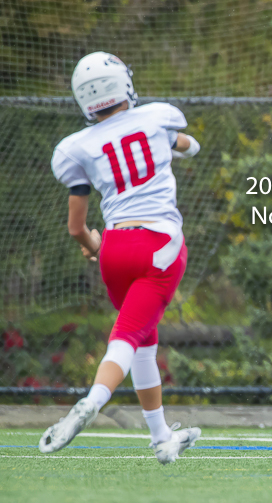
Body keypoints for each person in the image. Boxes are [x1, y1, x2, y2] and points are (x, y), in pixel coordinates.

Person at [39, 52, 202, 464]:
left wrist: (95, 248)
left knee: (144, 341)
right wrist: (172, 144)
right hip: (159, 244)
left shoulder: (78, 146)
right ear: (123, 84)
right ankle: (93, 401)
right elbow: (191, 145)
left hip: (113, 249)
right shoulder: (157, 119)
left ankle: (161, 438)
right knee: (128, 338)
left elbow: (77, 229)